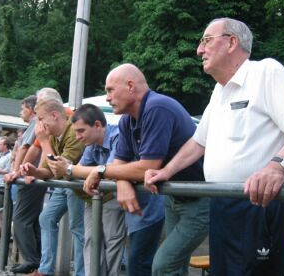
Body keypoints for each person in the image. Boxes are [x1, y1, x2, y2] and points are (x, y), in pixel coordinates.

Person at [144, 17, 284, 276]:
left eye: (206, 40)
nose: (199, 50)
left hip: (259, 202)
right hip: (222, 202)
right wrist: (166, 172)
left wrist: (277, 167)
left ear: (231, 42)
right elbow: (198, 142)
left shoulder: (265, 72)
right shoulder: (220, 91)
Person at [83, 63, 209, 276]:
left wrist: (101, 171)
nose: (107, 98)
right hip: (174, 197)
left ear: (130, 86)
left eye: (110, 90)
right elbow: (119, 163)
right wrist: (121, 181)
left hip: (200, 200)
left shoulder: (156, 107)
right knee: (174, 268)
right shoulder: (126, 120)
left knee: (163, 266)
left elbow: (147, 167)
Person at [50, 104, 126, 276]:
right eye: (76, 132)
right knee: (90, 240)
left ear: (97, 125)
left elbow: (112, 170)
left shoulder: (117, 136)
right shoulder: (92, 144)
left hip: (116, 197)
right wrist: (66, 168)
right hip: (99, 197)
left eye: (81, 131)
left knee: (112, 242)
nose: (77, 137)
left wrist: (69, 169)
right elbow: (81, 170)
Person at [21, 98, 85, 276]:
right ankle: (45, 270)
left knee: (78, 228)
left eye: (41, 119)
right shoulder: (54, 135)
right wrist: (34, 172)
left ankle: (81, 273)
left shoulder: (73, 132)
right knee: (46, 218)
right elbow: (49, 171)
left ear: (55, 115)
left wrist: (43, 141)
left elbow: (59, 168)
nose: (39, 124)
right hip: (65, 183)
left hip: (78, 184)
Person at [4, 95, 47, 274]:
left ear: (31, 109)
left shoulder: (35, 123)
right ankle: (37, 262)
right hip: (35, 175)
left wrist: (15, 171)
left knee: (21, 219)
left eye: (22, 109)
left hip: (31, 176)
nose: (20, 112)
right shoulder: (38, 123)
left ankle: (31, 260)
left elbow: (26, 148)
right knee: (32, 220)